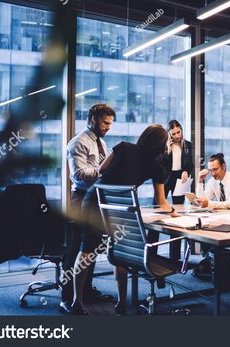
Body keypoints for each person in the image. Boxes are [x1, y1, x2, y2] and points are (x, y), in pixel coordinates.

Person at [70, 124, 179, 315]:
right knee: (120, 253)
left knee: (86, 250)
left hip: (94, 198)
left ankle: (76, 302)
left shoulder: (123, 146)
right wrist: (173, 211)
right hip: (121, 207)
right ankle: (121, 303)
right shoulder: (157, 167)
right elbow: (162, 203)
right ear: (162, 145)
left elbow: (101, 170)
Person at [63, 104, 116, 314]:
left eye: (110, 124)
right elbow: (78, 175)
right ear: (93, 118)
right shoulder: (78, 143)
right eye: (105, 123)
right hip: (80, 200)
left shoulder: (101, 142)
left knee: (91, 247)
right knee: (76, 249)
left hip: (95, 199)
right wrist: (102, 171)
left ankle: (85, 290)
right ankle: (67, 298)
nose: (108, 127)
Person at [160, 120, 194, 204]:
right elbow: (159, 163)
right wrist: (167, 151)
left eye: (178, 132)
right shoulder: (163, 145)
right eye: (173, 134)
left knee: (179, 205)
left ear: (181, 130)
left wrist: (186, 171)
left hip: (179, 178)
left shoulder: (187, 144)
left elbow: (190, 164)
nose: (177, 136)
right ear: (168, 134)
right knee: (159, 204)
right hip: (165, 177)